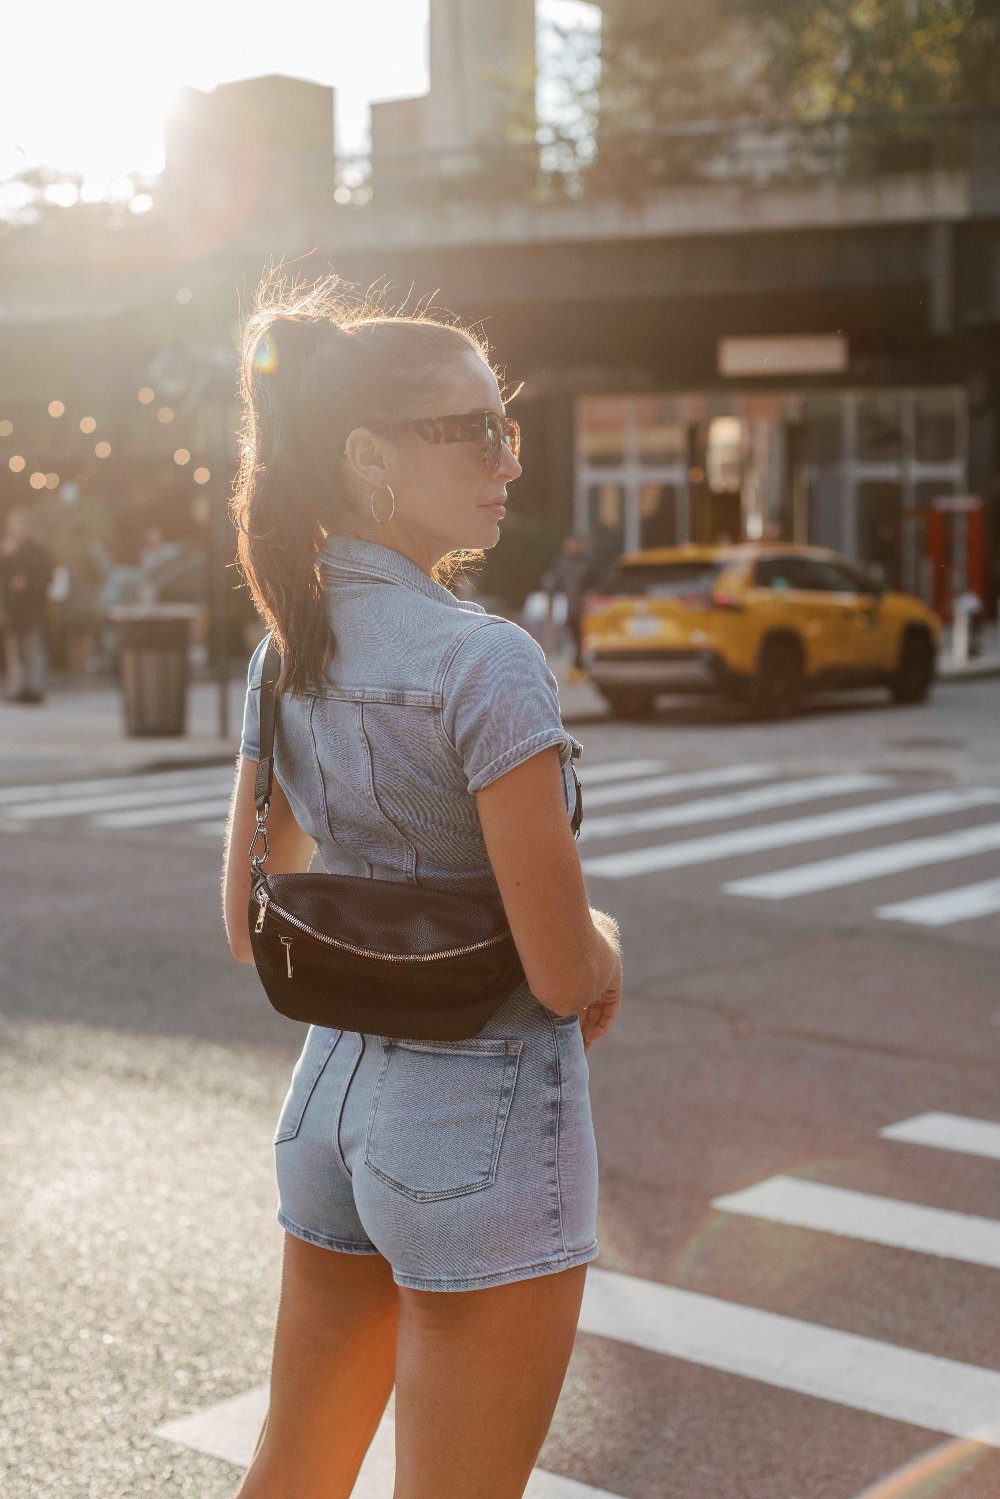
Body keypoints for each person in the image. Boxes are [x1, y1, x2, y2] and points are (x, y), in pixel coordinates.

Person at [221, 272, 623, 1499]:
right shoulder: (484, 660)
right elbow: (561, 971)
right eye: (475, 431)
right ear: (367, 456)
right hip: (480, 1130)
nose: (508, 456)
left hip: (328, 1107)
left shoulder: (285, 647)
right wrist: (606, 940)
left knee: (292, 1472)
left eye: (510, 424)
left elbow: (245, 920)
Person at [0, 509, 54, 704]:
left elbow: (47, 577)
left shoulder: (37, 551)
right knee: (15, 651)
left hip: (32, 610)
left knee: (33, 649)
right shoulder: (7, 551)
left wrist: (27, 583)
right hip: (13, 611)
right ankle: (18, 688)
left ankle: (35, 688)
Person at [542, 534, 595, 678]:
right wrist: (550, 600)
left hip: (584, 609)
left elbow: (595, 583)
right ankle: (577, 667)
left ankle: (579, 667)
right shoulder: (562, 563)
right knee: (573, 638)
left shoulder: (588, 562)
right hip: (569, 607)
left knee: (582, 639)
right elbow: (553, 582)